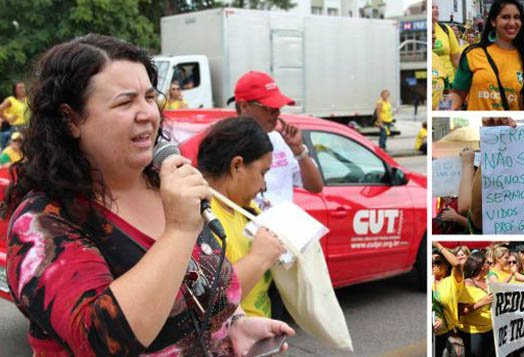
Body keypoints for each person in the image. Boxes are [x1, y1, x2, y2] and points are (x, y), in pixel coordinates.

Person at [3, 34, 292, 356]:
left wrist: (234, 325)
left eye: (149, 97)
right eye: (125, 102)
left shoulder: (164, 184)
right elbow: (100, 340)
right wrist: (180, 229)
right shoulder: (44, 223)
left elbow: (197, 285)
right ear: (70, 119)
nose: (148, 114)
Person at [197, 117, 287, 318]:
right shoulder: (200, 216)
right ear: (237, 165)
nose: (264, 186)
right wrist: (259, 258)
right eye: (263, 172)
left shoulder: (245, 207)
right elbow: (208, 302)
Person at [229, 70, 323, 207]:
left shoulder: (279, 140)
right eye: (270, 108)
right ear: (244, 106)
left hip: (282, 226)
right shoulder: (226, 144)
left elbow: (315, 187)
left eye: (278, 108)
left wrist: (299, 151)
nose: (277, 114)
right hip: (249, 226)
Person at [449, 0, 524, 110]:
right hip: (478, 125)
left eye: (516, 17)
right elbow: (457, 94)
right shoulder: (472, 54)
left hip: (509, 126)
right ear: (493, 21)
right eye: (505, 17)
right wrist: (441, 109)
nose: (512, 23)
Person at [458, 251, 495, 357]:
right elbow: (462, 311)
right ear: (481, 266)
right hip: (473, 332)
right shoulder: (467, 284)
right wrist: (482, 302)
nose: (490, 265)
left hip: (490, 329)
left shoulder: (488, 281)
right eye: (488, 262)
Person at [432, 242, 464, 357]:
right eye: (431, 262)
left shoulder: (452, 281)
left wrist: (438, 245)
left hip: (446, 334)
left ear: (446, 265)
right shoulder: (429, 281)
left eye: (437, 262)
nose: (433, 265)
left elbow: (457, 264)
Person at [432, 2, 462, 105]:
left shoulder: (446, 29)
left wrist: (465, 78)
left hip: (449, 82)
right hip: (433, 81)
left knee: (446, 110)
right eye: (432, 8)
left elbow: (456, 58)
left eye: (437, 8)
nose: (436, 10)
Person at [0, 81, 29, 148]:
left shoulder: (28, 99)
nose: (22, 89)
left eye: (23, 87)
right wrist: (7, 118)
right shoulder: (11, 100)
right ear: (15, 90)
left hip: (29, 127)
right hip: (17, 128)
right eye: (20, 88)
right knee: (16, 148)